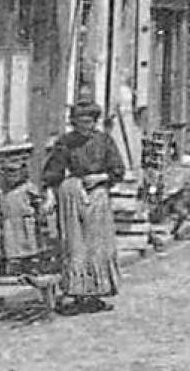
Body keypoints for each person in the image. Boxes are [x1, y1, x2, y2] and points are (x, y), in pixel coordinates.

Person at [41, 101, 127, 313]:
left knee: (98, 245)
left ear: (95, 121)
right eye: (80, 122)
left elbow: (118, 170)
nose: (84, 126)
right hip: (72, 195)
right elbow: (53, 172)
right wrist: (51, 195)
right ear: (73, 122)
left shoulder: (104, 141)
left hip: (97, 194)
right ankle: (77, 292)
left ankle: (97, 291)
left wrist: (100, 177)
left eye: (88, 122)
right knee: (75, 245)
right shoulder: (65, 142)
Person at [0, 165, 46, 276]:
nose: (11, 177)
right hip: (9, 222)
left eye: (14, 173)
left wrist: (40, 213)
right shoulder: (3, 190)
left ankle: (32, 266)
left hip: (25, 221)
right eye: (8, 174)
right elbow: (0, 207)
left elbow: (38, 201)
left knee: (29, 243)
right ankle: (15, 266)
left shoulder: (28, 187)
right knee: (12, 244)